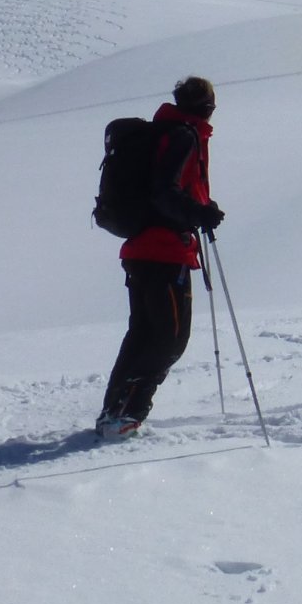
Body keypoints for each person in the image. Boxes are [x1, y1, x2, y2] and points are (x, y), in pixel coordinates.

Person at [95, 76, 226, 440]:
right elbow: (164, 193)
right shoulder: (183, 136)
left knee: (142, 333)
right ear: (205, 107)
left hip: (142, 249)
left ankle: (113, 412)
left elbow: (171, 190)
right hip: (164, 252)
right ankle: (126, 414)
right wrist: (198, 213)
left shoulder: (164, 133)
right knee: (169, 339)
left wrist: (200, 206)